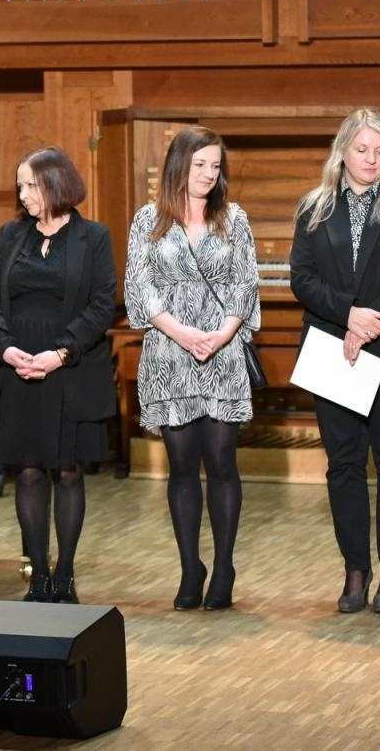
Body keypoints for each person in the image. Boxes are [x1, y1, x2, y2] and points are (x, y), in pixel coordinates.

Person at [289, 110, 380, 615]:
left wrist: (370, 323)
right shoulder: (314, 207)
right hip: (333, 348)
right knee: (344, 467)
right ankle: (356, 569)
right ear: (343, 151)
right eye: (362, 150)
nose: (371, 160)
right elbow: (302, 278)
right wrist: (348, 316)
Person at [124, 127, 259, 611]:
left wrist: (221, 335)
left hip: (223, 353)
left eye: (215, 166)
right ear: (179, 166)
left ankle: (223, 567)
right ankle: (190, 568)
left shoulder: (234, 218)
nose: (208, 174)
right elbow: (138, 287)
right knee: (182, 466)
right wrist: (181, 332)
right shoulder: (148, 220)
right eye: (200, 164)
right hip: (169, 355)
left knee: (221, 462)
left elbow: (245, 284)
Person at [0, 147, 117, 605]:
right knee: (29, 473)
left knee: (68, 472)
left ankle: (65, 576)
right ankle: (38, 577)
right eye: (19, 185)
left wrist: (61, 352)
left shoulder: (93, 237)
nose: (22, 194)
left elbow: (102, 305)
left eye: (30, 185)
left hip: (69, 367)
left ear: (56, 185)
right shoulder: (10, 236)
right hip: (18, 367)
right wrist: (5, 347)